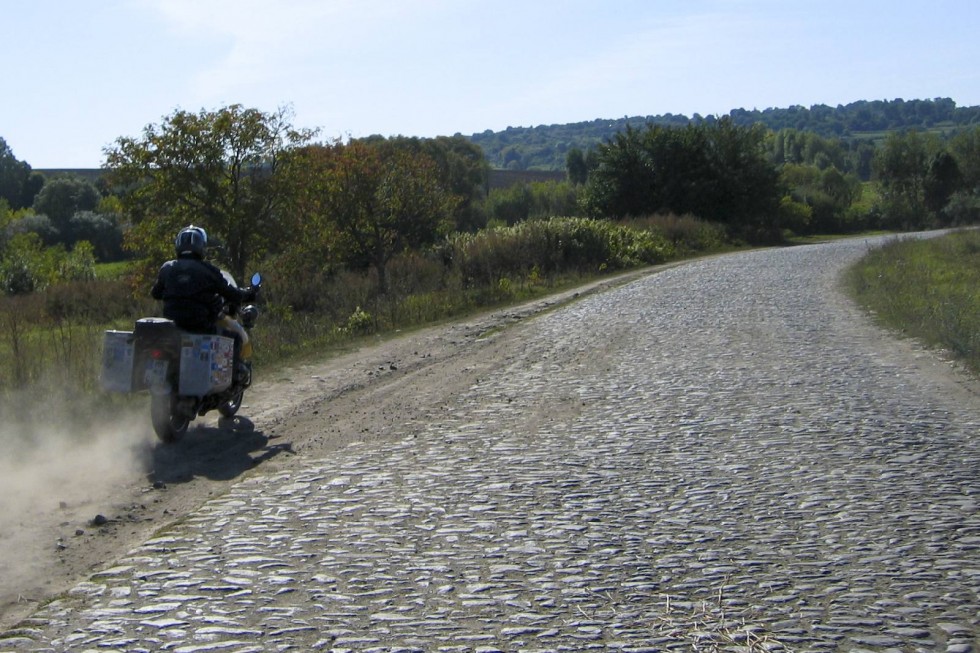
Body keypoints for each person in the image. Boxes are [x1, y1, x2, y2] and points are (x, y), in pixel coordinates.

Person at [150, 225, 257, 383]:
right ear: (202, 246)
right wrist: (249, 293)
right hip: (200, 325)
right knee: (234, 338)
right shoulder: (208, 270)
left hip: (173, 326)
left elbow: (155, 293)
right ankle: (230, 380)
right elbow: (231, 293)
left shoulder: (167, 268)